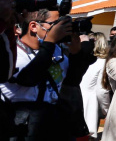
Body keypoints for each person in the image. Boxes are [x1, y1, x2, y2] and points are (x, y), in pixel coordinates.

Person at [1, 8, 80, 140]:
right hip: (20, 123)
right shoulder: (13, 52)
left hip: (52, 119)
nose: (61, 29)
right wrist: (49, 43)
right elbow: (29, 78)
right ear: (34, 26)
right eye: (55, 24)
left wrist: (77, 54)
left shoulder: (55, 50)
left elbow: (72, 80)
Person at [79, 32, 109, 139]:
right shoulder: (103, 62)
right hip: (89, 103)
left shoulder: (79, 58)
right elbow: (101, 90)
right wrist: (106, 109)